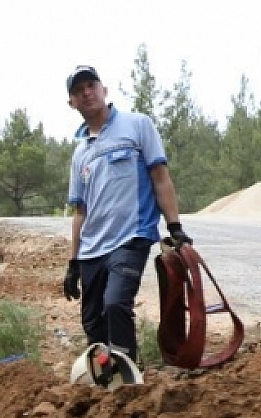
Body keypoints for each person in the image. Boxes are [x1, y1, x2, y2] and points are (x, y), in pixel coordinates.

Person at [61, 64, 190, 378]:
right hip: (92, 248)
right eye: (79, 90)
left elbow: (160, 177)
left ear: (104, 90)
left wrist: (174, 227)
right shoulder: (80, 154)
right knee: (92, 322)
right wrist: (73, 262)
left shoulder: (137, 125)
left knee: (116, 304)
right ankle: (106, 381)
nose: (86, 92)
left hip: (132, 236)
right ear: (72, 103)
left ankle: (128, 383)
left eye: (91, 85)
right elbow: (81, 212)